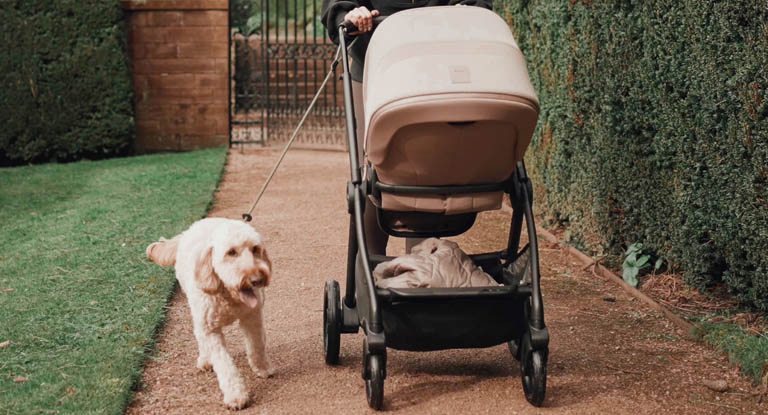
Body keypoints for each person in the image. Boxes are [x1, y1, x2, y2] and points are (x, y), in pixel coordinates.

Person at [321, 0, 493, 255]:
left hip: (436, 69)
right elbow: (337, 7)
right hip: (375, 66)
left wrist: (467, 10)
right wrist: (350, 14)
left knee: (427, 164)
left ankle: (423, 266)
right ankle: (368, 265)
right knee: (371, 172)